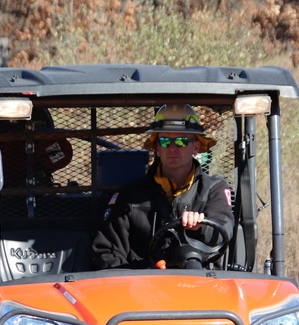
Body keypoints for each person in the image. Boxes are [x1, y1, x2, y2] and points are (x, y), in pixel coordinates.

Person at [91, 104, 235, 269]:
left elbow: (223, 229)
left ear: (196, 147)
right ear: (157, 148)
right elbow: (106, 252)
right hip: (144, 289)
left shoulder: (214, 189)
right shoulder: (130, 196)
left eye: (181, 141)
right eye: (165, 141)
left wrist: (200, 227)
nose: (172, 148)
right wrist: (139, 277)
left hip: (200, 286)